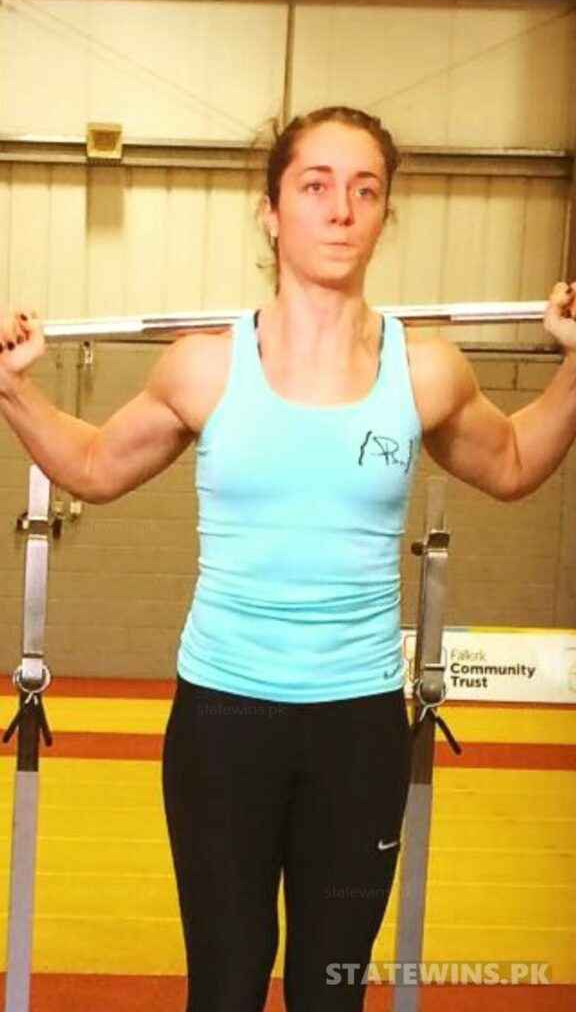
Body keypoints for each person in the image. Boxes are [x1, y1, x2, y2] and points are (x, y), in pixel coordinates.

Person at [0, 105, 575, 1012]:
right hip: (223, 723)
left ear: (384, 214)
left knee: (330, 993)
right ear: (271, 212)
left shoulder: (424, 371)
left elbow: (510, 463)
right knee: (226, 989)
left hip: (358, 731)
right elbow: (95, 466)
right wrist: (11, 386)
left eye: (365, 190)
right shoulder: (204, 367)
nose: (341, 209)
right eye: (315, 186)